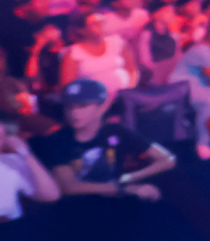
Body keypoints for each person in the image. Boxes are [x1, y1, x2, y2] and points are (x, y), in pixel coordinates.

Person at [33, 77, 176, 201]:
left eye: (82, 106)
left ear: (102, 107)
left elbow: (167, 159)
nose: (74, 113)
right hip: (75, 210)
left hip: (115, 206)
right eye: (69, 107)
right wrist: (123, 189)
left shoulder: (115, 131)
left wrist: (130, 177)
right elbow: (69, 186)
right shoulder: (57, 139)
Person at [60, 9, 140, 95]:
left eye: (102, 22)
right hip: (94, 99)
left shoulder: (117, 42)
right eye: (95, 24)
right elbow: (69, 86)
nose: (101, 25)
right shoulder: (73, 54)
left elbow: (132, 70)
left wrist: (129, 88)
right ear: (82, 30)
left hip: (125, 95)